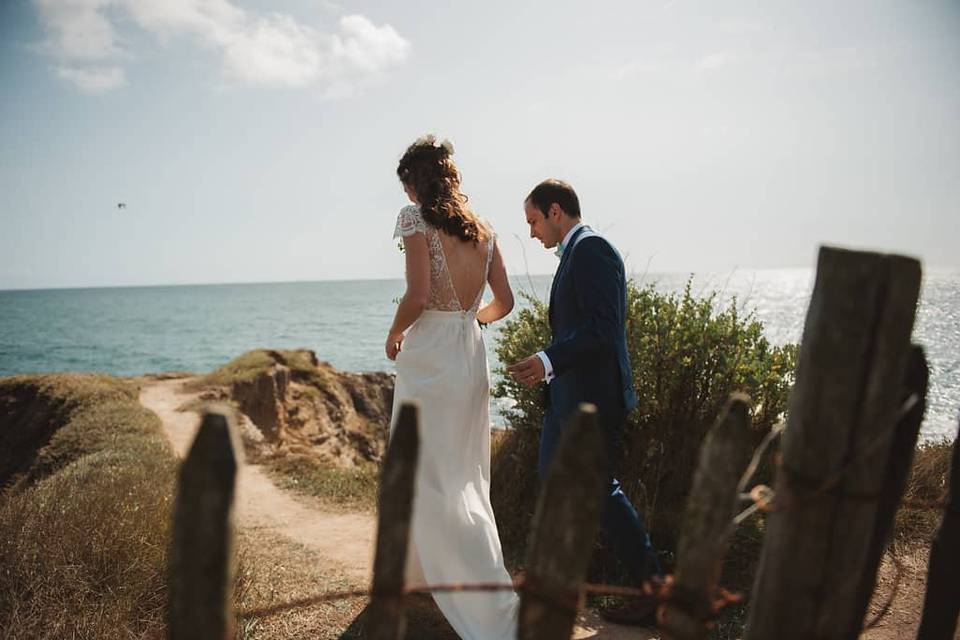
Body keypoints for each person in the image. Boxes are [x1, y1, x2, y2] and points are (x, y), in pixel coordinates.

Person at [508, 178, 662, 626]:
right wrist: (548, 369)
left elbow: (603, 329)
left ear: (556, 212)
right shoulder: (575, 253)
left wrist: (546, 358)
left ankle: (654, 591)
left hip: (593, 402)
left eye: (534, 221)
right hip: (567, 400)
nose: (532, 232)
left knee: (599, 493)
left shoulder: (592, 250)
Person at [385, 135, 518, 639]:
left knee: (422, 467)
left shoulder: (414, 218)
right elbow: (503, 300)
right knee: (463, 471)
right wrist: (472, 322)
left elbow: (417, 295)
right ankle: (423, 576)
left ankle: (467, 588)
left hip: (430, 355)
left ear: (413, 182)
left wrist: (395, 333)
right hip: (468, 355)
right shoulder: (484, 230)